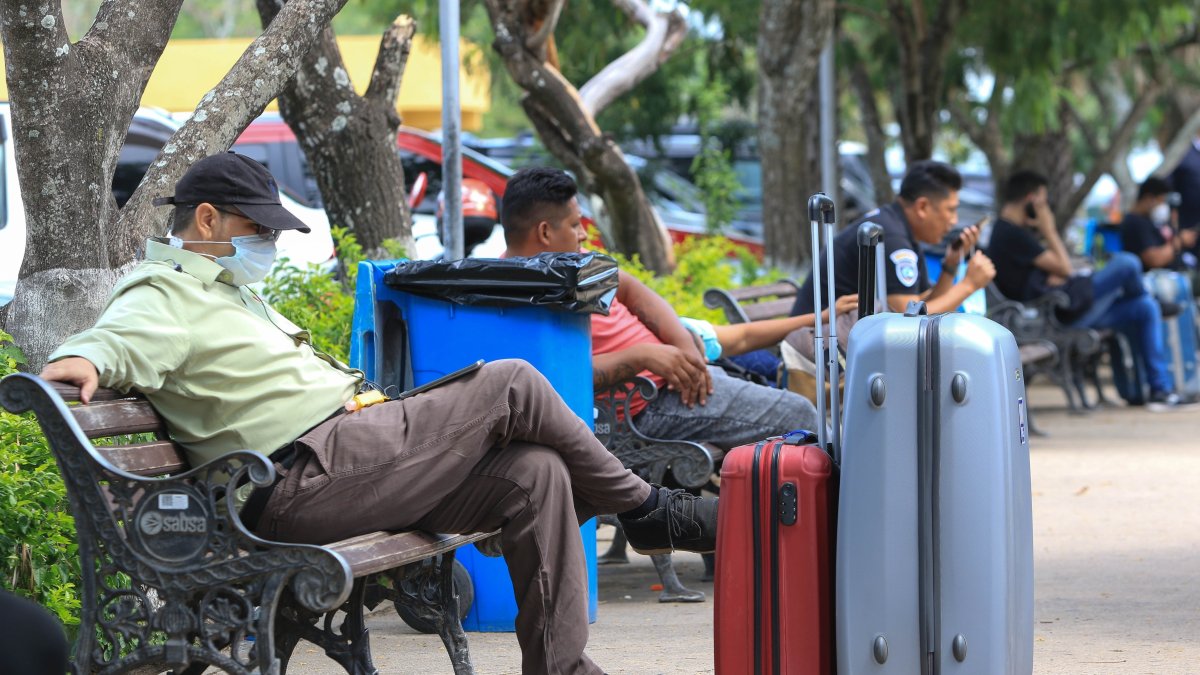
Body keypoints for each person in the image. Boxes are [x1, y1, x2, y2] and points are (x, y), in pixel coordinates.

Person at [38, 152, 715, 675]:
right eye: (257, 229)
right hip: (302, 479)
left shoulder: (227, 291)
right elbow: (116, 337)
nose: (268, 242)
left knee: (535, 472)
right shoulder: (165, 291)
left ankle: (563, 668)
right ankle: (644, 508)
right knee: (511, 382)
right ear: (207, 220)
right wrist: (83, 358)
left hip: (347, 458)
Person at [501, 166, 824, 450]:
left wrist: (684, 348)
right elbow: (550, 377)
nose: (583, 233)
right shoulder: (508, 292)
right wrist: (642, 356)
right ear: (545, 231)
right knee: (799, 414)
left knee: (796, 401)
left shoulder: (571, 264)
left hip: (675, 381)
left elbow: (632, 290)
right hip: (640, 409)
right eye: (575, 225)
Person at [987, 169, 1188, 411]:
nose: (1046, 208)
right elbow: (1063, 267)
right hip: (1058, 317)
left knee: (1145, 308)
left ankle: (1160, 391)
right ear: (1032, 199)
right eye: (1044, 201)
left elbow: (1058, 270)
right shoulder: (1010, 233)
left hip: (1065, 307)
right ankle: (1147, 295)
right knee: (1127, 263)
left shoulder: (1013, 232)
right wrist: (1049, 229)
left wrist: (1056, 272)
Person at [790, 160, 996, 317]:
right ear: (922, 207)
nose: (954, 221)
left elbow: (920, 305)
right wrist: (969, 285)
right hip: (818, 346)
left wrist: (950, 267)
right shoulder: (892, 238)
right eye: (950, 210)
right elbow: (910, 321)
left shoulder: (897, 226)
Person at [1120, 176, 1198, 270]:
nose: (1163, 206)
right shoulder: (1134, 223)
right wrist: (1180, 241)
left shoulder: (1150, 221)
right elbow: (1154, 260)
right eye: (1161, 201)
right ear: (1149, 199)